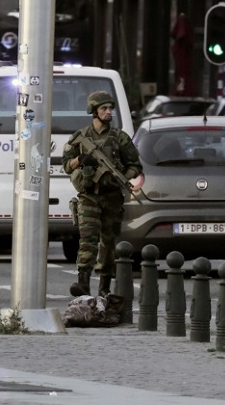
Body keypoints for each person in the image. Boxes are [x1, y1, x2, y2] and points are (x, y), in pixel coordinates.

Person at [62, 91, 143, 297]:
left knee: (108, 242)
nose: (108, 112)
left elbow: (135, 165)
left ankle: (105, 287)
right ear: (94, 112)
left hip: (112, 197)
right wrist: (81, 160)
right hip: (89, 195)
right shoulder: (80, 137)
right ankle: (83, 282)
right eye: (103, 109)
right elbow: (66, 165)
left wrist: (124, 175)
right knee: (87, 240)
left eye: (110, 109)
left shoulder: (120, 138)